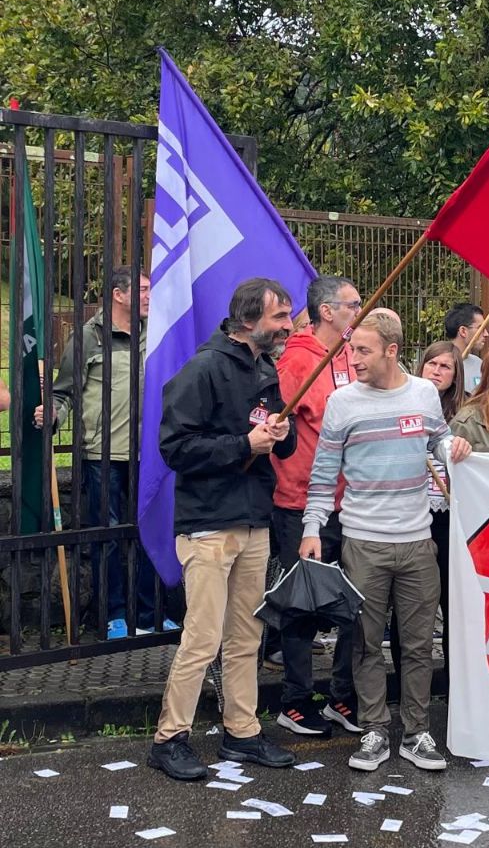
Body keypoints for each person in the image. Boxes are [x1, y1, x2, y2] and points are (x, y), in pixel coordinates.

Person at [302, 310, 471, 773]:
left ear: (392, 351)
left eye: (363, 350)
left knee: (418, 646)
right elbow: (323, 474)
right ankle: (374, 729)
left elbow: (439, 440)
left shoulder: (423, 394)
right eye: (352, 348)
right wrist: (312, 528)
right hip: (362, 542)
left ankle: (416, 733)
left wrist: (453, 447)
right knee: (364, 643)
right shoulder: (341, 402)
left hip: (417, 542)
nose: (353, 358)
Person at [148, 278, 298, 781]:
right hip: (209, 523)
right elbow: (176, 448)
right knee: (203, 636)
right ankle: (169, 738)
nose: (289, 325)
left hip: (254, 519)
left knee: (246, 635)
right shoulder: (204, 369)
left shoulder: (265, 367)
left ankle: (242, 731)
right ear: (248, 320)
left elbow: (279, 441)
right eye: (280, 317)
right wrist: (243, 445)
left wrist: (281, 434)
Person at [36, 267, 165, 638]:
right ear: (118, 295)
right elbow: (64, 392)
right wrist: (52, 414)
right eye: (142, 289)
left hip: (150, 454)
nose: (150, 296)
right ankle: (113, 615)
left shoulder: (157, 333)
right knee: (106, 537)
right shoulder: (88, 338)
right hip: (102, 454)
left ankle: (149, 614)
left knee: (149, 533)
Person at [269, 275, 362, 738]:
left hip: (351, 500)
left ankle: (343, 696)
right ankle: (295, 701)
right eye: (353, 304)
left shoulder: (348, 354)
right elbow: (278, 427)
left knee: (354, 603)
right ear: (327, 311)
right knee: (302, 606)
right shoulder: (298, 360)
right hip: (300, 502)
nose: (359, 311)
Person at [415, 338, 466, 692]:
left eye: (445, 366)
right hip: (415, 514)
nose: (436, 371)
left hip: (451, 515)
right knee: (414, 606)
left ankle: (454, 688)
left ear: (455, 375)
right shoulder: (406, 402)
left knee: (453, 604)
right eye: (431, 363)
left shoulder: (464, 413)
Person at [444, 302, 489, 394]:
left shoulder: (479, 364)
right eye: (481, 328)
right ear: (463, 331)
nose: (486, 334)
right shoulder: (440, 364)